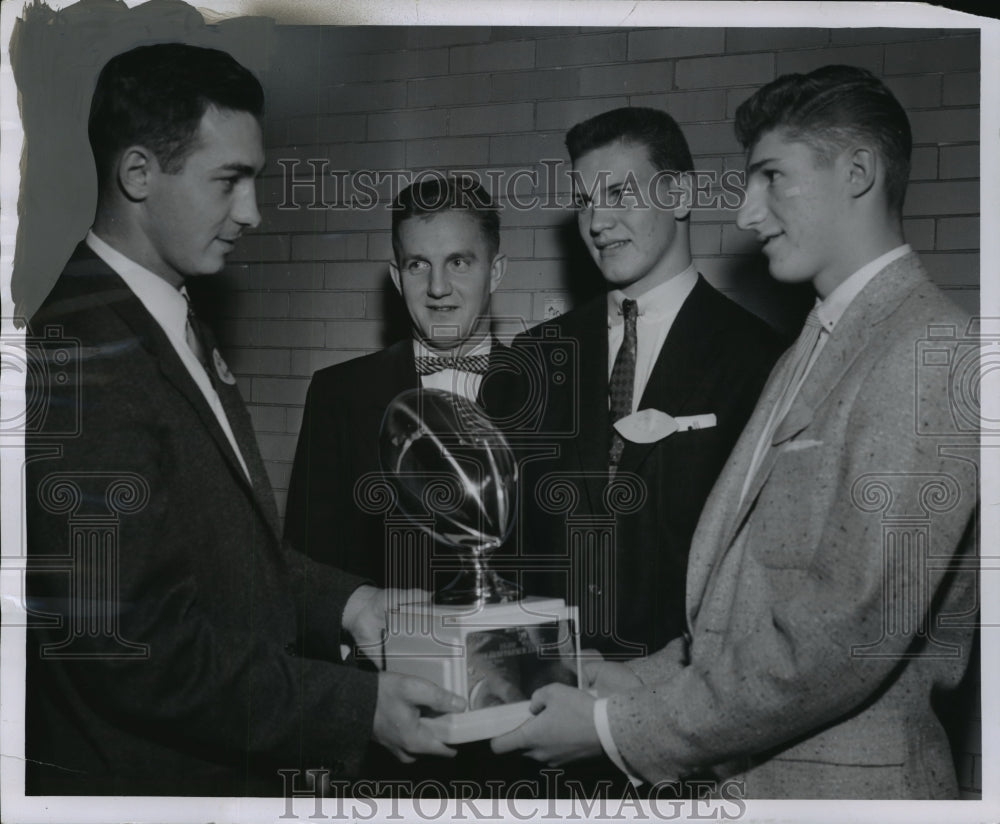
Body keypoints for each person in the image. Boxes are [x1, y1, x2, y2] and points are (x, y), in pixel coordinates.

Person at [493, 65, 979, 800]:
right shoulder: (815, 346)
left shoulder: (930, 352)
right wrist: (633, 678)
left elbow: (838, 639)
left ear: (858, 172)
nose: (748, 215)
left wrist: (617, 728)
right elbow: (742, 610)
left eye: (771, 178)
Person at [24, 42, 463, 797]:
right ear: (137, 175)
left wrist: (351, 604)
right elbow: (126, 646)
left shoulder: (166, 316)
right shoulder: (81, 354)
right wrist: (357, 708)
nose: (253, 213)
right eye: (229, 181)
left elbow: (216, 550)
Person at [515, 107, 783, 660]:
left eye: (618, 194)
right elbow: (513, 545)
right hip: (549, 699)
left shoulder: (761, 358)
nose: (596, 222)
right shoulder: (536, 356)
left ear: (681, 196)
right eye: (586, 201)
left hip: (685, 706)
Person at [285, 174, 515, 590]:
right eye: (418, 265)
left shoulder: (552, 390)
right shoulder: (337, 394)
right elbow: (306, 567)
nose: (438, 288)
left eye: (458, 262)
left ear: (495, 272)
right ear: (397, 277)